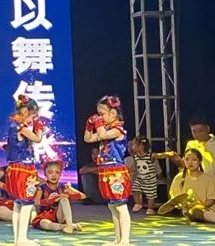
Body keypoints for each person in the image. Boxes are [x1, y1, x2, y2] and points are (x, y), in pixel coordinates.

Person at [84, 95, 132, 246]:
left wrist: (97, 123)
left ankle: (125, 240)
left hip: (116, 172)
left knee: (121, 206)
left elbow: (103, 135)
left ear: (113, 113)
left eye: (102, 114)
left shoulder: (118, 130)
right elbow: (88, 139)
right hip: (105, 170)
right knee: (112, 206)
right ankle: (117, 239)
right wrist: (89, 125)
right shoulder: (105, 129)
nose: (100, 117)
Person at [4, 95, 43, 246]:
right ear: (25, 112)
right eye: (33, 116)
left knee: (18, 203)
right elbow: (37, 139)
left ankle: (17, 239)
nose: (33, 120)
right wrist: (39, 126)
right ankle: (22, 239)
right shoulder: (21, 127)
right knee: (27, 203)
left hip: (14, 169)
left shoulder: (13, 125)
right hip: (23, 169)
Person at [158, 148, 215, 223]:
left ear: (200, 161)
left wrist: (198, 204)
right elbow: (175, 199)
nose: (190, 162)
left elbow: (210, 200)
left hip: (208, 209)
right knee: (195, 211)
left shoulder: (209, 179)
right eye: (187, 159)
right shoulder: (179, 178)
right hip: (190, 211)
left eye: (194, 160)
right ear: (183, 160)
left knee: (198, 210)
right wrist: (184, 205)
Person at [32, 160, 86, 233]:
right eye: (50, 172)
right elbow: (36, 202)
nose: (54, 175)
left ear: (60, 174)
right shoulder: (41, 187)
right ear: (45, 173)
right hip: (46, 216)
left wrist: (68, 195)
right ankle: (70, 226)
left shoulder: (64, 187)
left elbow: (83, 196)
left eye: (57, 172)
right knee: (44, 224)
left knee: (64, 199)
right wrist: (51, 200)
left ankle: (69, 225)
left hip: (59, 215)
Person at [127, 136, 162, 214]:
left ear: (141, 146)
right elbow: (134, 167)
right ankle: (138, 204)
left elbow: (159, 156)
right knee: (135, 189)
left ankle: (150, 208)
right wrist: (127, 170)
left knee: (150, 195)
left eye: (134, 145)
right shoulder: (135, 156)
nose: (132, 147)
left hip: (150, 179)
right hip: (140, 178)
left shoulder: (150, 156)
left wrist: (168, 154)